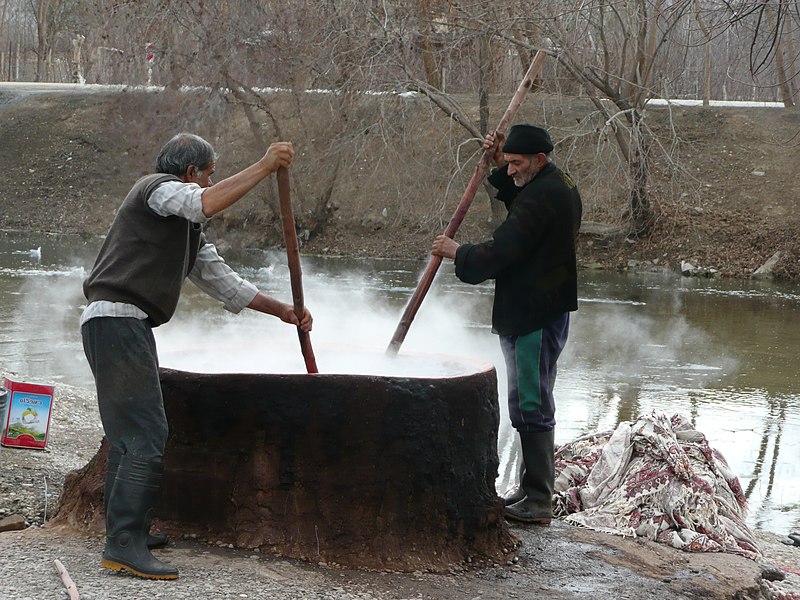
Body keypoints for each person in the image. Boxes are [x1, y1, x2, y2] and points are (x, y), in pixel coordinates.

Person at [80, 132, 313, 580]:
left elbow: (225, 283)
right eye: (209, 173)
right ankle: (124, 544)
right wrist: (264, 167)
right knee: (146, 433)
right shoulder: (156, 190)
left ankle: (128, 532)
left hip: (124, 324)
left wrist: (283, 310)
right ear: (190, 173)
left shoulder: (187, 232)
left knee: (132, 434)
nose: (212, 181)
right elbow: (201, 203)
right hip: (116, 322)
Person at [431, 124, 581, 525]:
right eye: (509, 162)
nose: (511, 170)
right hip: (542, 307)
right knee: (527, 397)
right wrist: (499, 160)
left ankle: (538, 499)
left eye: (516, 163)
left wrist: (457, 252)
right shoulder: (555, 182)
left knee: (530, 400)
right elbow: (521, 193)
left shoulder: (544, 196)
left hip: (534, 312)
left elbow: (504, 249)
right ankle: (531, 489)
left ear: (539, 159)